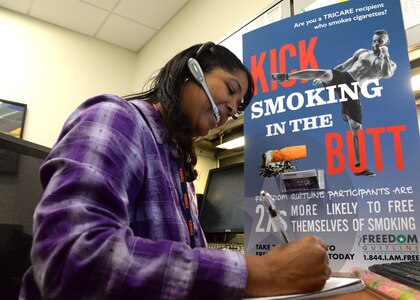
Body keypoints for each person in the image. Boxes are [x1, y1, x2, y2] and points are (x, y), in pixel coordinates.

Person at [19, 42, 331, 299]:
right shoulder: (116, 117)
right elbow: (71, 260)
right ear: (191, 71)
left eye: (237, 108)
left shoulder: (178, 164)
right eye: (231, 90)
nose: (231, 111)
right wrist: (264, 272)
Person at [272, 29, 397, 177]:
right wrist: (327, 78)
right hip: (345, 77)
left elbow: (386, 73)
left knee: (356, 128)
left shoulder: (390, 63)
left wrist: (385, 54)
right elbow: (344, 66)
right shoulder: (362, 52)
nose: (376, 44)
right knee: (323, 73)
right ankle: (287, 76)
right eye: (374, 40)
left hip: (354, 88)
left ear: (386, 42)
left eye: (380, 41)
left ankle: (359, 166)